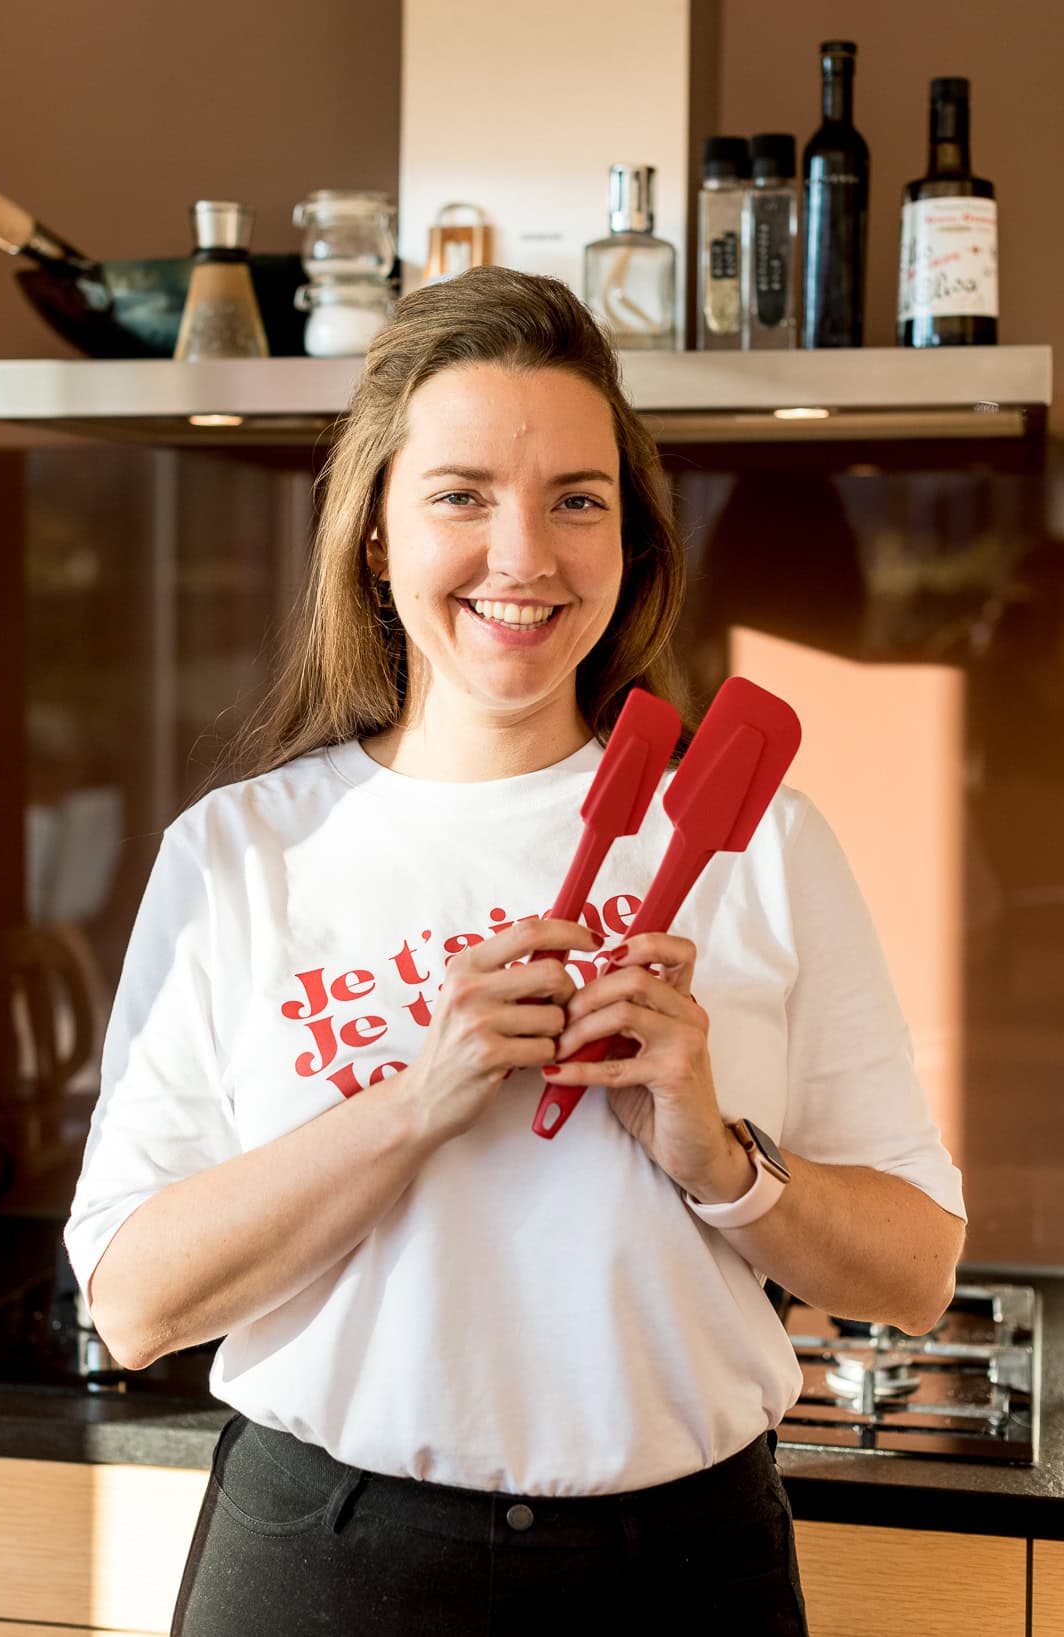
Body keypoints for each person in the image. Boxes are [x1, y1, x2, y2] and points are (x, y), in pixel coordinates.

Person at [63, 265, 967, 1636]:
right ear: (375, 533)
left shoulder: (763, 844)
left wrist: (718, 1159)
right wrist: (417, 1102)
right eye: (461, 493)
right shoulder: (243, 856)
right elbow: (132, 1304)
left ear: (632, 536)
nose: (525, 555)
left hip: (686, 1573)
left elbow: (914, 1269)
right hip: (329, 1561)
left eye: (577, 500)